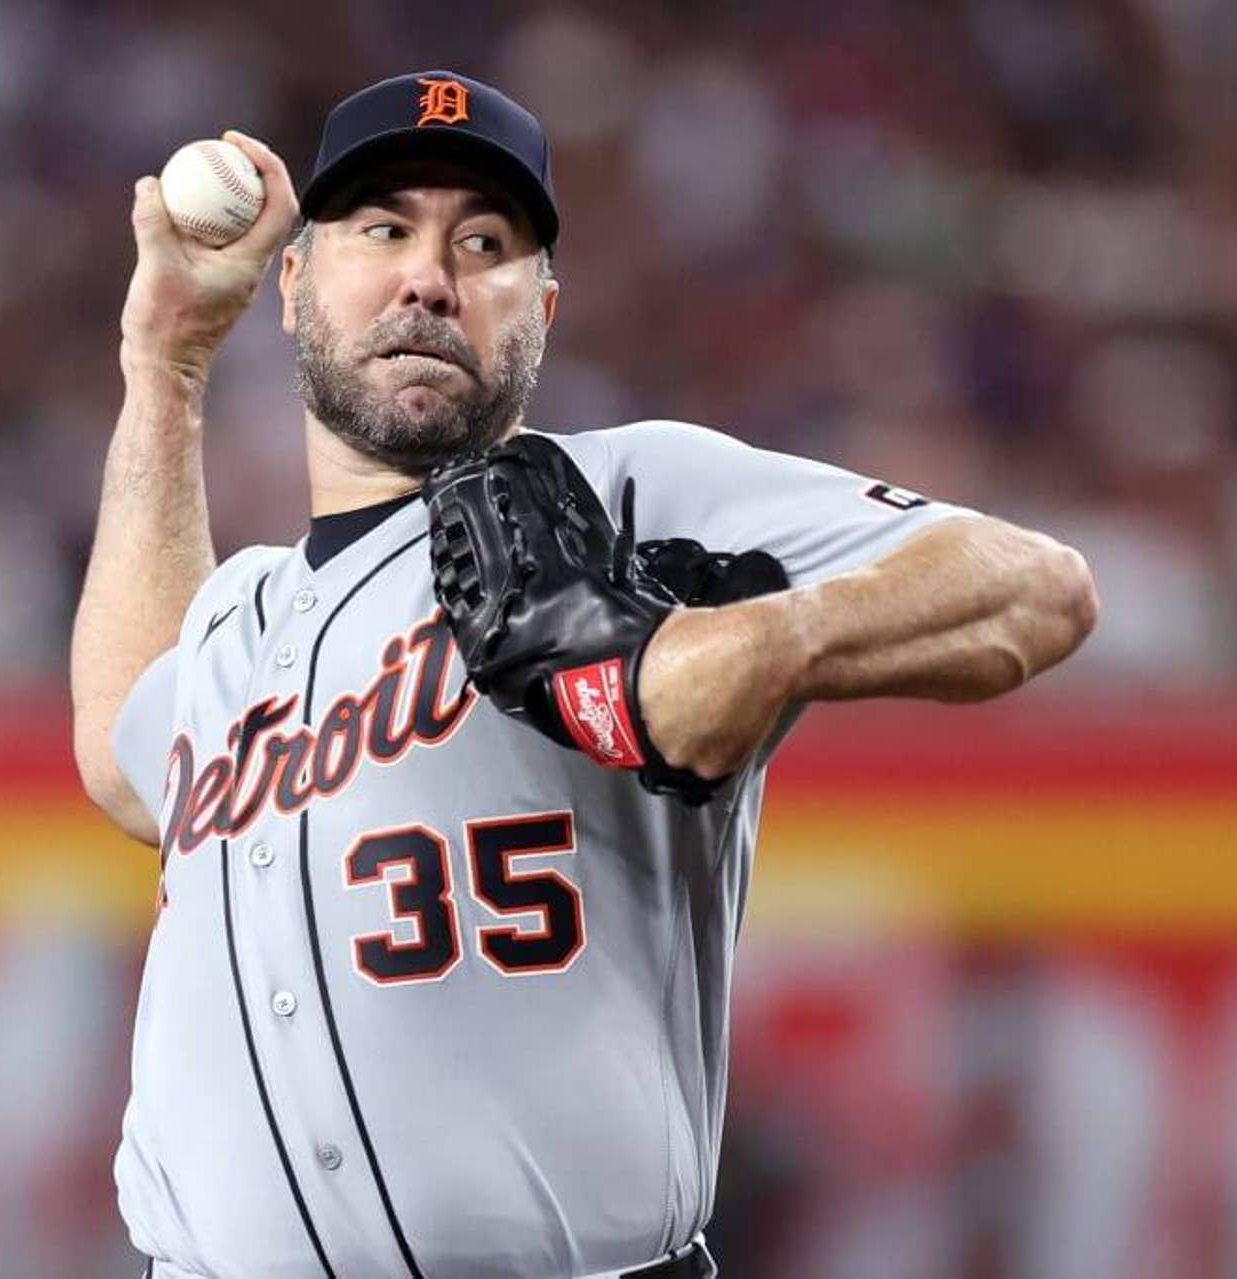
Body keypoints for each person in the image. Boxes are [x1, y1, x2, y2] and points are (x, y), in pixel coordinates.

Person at [72, 70, 1098, 1279]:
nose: (427, 274)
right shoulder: (243, 608)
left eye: (486, 241)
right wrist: (167, 360)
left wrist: (756, 642)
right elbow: (128, 755)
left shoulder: (624, 495)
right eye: (383, 227)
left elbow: (1035, 585)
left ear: (543, 306)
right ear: (293, 285)